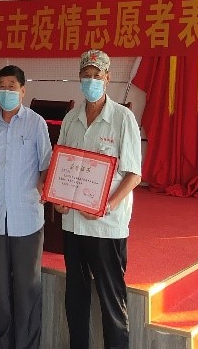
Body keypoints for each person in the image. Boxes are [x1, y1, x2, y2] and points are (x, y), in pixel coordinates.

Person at [54, 49, 142, 349]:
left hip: (106, 226)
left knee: (111, 300)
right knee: (75, 296)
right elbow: (61, 165)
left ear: (107, 78)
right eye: (86, 75)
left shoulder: (122, 118)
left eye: (97, 75)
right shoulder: (71, 118)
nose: (91, 81)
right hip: (73, 224)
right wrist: (57, 197)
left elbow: (133, 175)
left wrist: (108, 205)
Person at [0, 65, 52, 349]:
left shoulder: (36, 123)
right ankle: (3, 342)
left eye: (12, 86)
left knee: (27, 288)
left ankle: (27, 345)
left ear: (23, 91)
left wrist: (45, 184)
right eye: (2, 86)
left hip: (27, 219)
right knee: (0, 288)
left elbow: (47, 165)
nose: (6, 91)